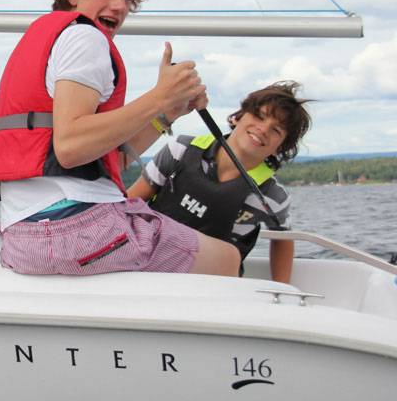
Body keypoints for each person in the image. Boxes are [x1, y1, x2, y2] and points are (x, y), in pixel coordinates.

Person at [0, 0, 240, 277]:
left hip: (23, 239)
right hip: (77, 229)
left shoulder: (51, 39)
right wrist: (160, 95)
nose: (120, 6)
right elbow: (71, 148)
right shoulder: (85, 37)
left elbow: (105, 158)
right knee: (228, 259)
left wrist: (167, 113)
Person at [127, 82, 312, 283]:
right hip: (148, 271)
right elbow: (129, 203)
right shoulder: (179, 150)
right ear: (238, 117)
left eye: (276, 130)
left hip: (213, 286)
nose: (264, 129)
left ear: (279, 148)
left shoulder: (271, 196)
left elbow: (283, 238)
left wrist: (282, 287)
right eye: (259, 116)